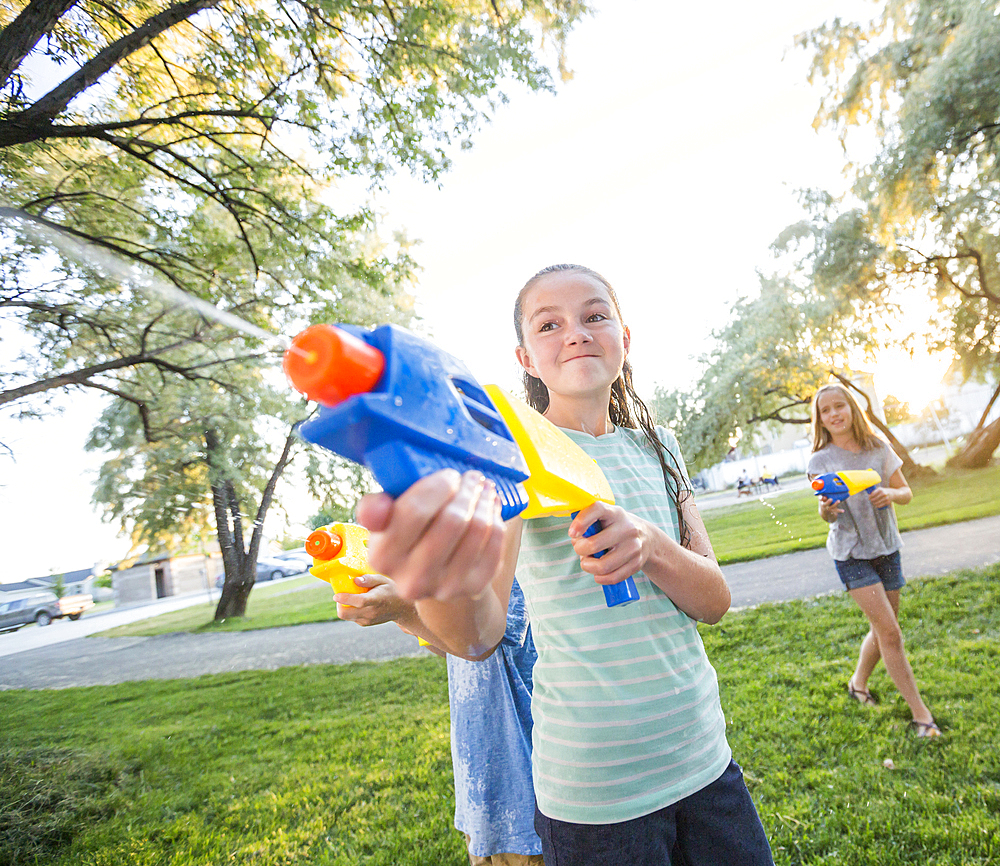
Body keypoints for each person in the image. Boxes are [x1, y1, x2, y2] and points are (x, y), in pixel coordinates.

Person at [356, 264, 774, 865]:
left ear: (624, 339)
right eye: (549, 325)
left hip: (704, 760)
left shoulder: (660, 446)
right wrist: (439, 583)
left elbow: (714, 600)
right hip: (593, 795)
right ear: (525, 357)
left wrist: (651, 545)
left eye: (594, 315)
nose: (576, 333)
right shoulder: (509, 459)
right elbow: (476, 637)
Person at [334, 573, 544, 865]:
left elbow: (485, 641)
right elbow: (452, 646)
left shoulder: (505, 537)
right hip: (480, 785)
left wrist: (408, 608)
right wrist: (401, 609)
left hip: (521, 790)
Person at [806, 383, 941, 738]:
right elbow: (827, 517)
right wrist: (827, 510)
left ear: (851, 408)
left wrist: (890, 493)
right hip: (851, 554)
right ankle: (921, 716)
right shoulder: (819, 462)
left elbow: (906, 492)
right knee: (891, 633)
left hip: (887, 548)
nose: (834, 414)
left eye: (839, 406)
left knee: (884, 629)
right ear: (820, 419)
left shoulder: (878, 447)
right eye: (825, 410)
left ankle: (858, 684)